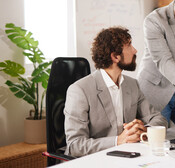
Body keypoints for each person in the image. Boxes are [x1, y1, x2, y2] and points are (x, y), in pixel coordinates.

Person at [64, 27, 167, 157]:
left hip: (127, 156)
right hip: (95, 160)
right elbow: (75, 145)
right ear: (115, 56)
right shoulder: (79, 90)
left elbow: (158, 119)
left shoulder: (132, 84)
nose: (135, 50)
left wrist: (144, 130)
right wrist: (118, 140)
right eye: (129, 45)